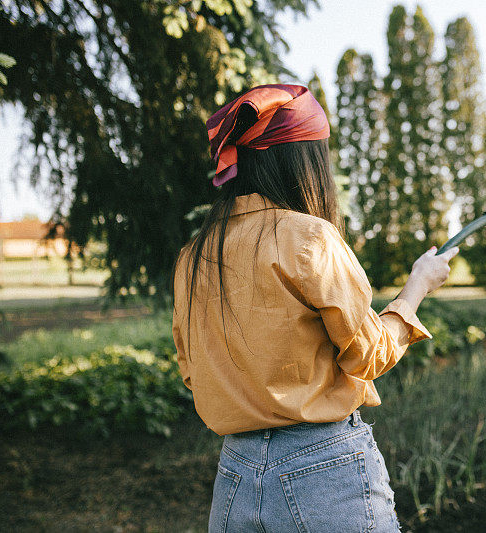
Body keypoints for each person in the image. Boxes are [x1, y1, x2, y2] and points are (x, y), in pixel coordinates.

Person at [172, 84, 459, 533]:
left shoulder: (193, 256)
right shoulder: (308, 237)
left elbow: (192, 371)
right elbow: (368, 354)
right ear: (304, 161)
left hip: (234, 474)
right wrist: (416, 288)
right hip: (323, 469)